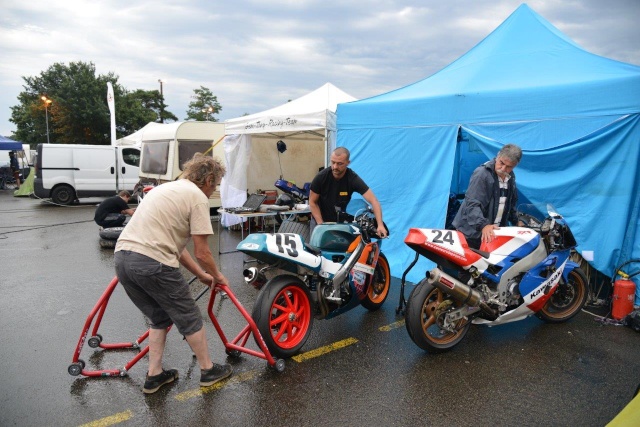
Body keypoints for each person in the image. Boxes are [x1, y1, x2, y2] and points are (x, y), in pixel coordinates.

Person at [114, 153, 232, 394]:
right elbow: (202, 252)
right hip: (152, 262)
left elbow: (175, 248)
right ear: (208, 179)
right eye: (216, 184)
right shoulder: (197, 197)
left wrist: (200, 274)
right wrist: (218, 277)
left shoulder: (163, 190)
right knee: (189, 317)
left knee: (159, 317)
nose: (215, 190)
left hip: (123, 258)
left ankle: (154, 375)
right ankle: (208, 370)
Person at [452, 143, 524, 250]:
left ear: (515, 166)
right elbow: (472, 204)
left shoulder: (511, 177)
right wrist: (483, 225)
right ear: (497, 157)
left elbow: (510, 203)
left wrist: (516, 220)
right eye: (501, 163)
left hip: (492, 235)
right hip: (471, 235)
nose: (503, 169)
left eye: (509, 167)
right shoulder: (482, 174)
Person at [309, 147, 386, 237]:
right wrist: (321, 225)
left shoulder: (353, 179)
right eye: (333, 162)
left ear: (348, 163)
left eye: (339, 164)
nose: (335, 167)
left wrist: (380, 225)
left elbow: (374, 201)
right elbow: (312, 202)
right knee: (316, 248)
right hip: (320, 219)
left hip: (340, 222)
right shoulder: (321, 177)